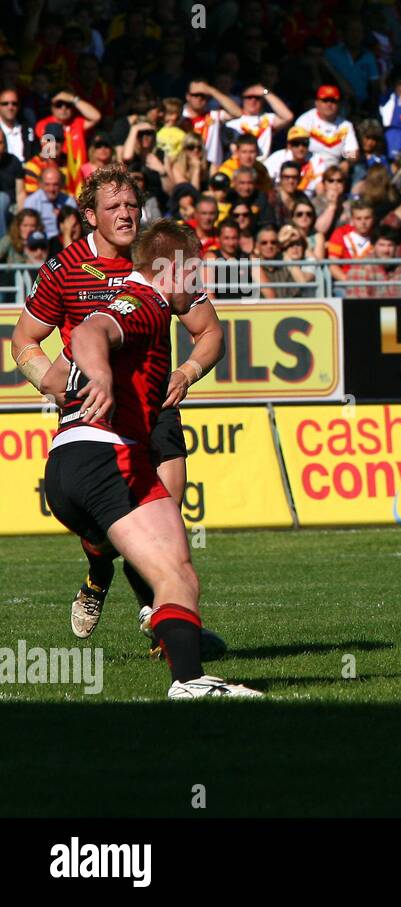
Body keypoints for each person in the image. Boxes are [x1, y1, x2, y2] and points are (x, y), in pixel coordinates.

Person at [11, 166, 226, 654]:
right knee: (112, 527)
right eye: (114, 207)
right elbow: (24, 341)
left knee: (165, 511)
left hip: (155, 407)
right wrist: (53, 383)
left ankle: (163, 628)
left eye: (133, 205)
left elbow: (209, 331)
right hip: (99, 411)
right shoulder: (65, 268)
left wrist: (188, 372)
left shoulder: (157, 259)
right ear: (90, 215)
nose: (127, 214)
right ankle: (98, 570)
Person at [41, 219, 258, 698]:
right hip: (106, 458)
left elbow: (58, 374)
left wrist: (90, 384)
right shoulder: (149, 305)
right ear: (175, 270)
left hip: (64, 462)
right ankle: (188, 681)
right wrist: (99, 378)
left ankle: (106, 575)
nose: (199, 287)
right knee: (176, 572)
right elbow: (89, 334)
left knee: (164, 562)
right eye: (196, 275)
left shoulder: (128, 299)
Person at [293, 85, 359, 173]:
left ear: (339, 104)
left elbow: (353, 152)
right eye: (325, 100)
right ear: (316, 102)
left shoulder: (345, 125)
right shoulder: (305, 120)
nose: (329, 104)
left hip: (333, 171)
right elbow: (294, 148)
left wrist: (347, 161)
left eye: (333, 101)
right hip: (307, 169)